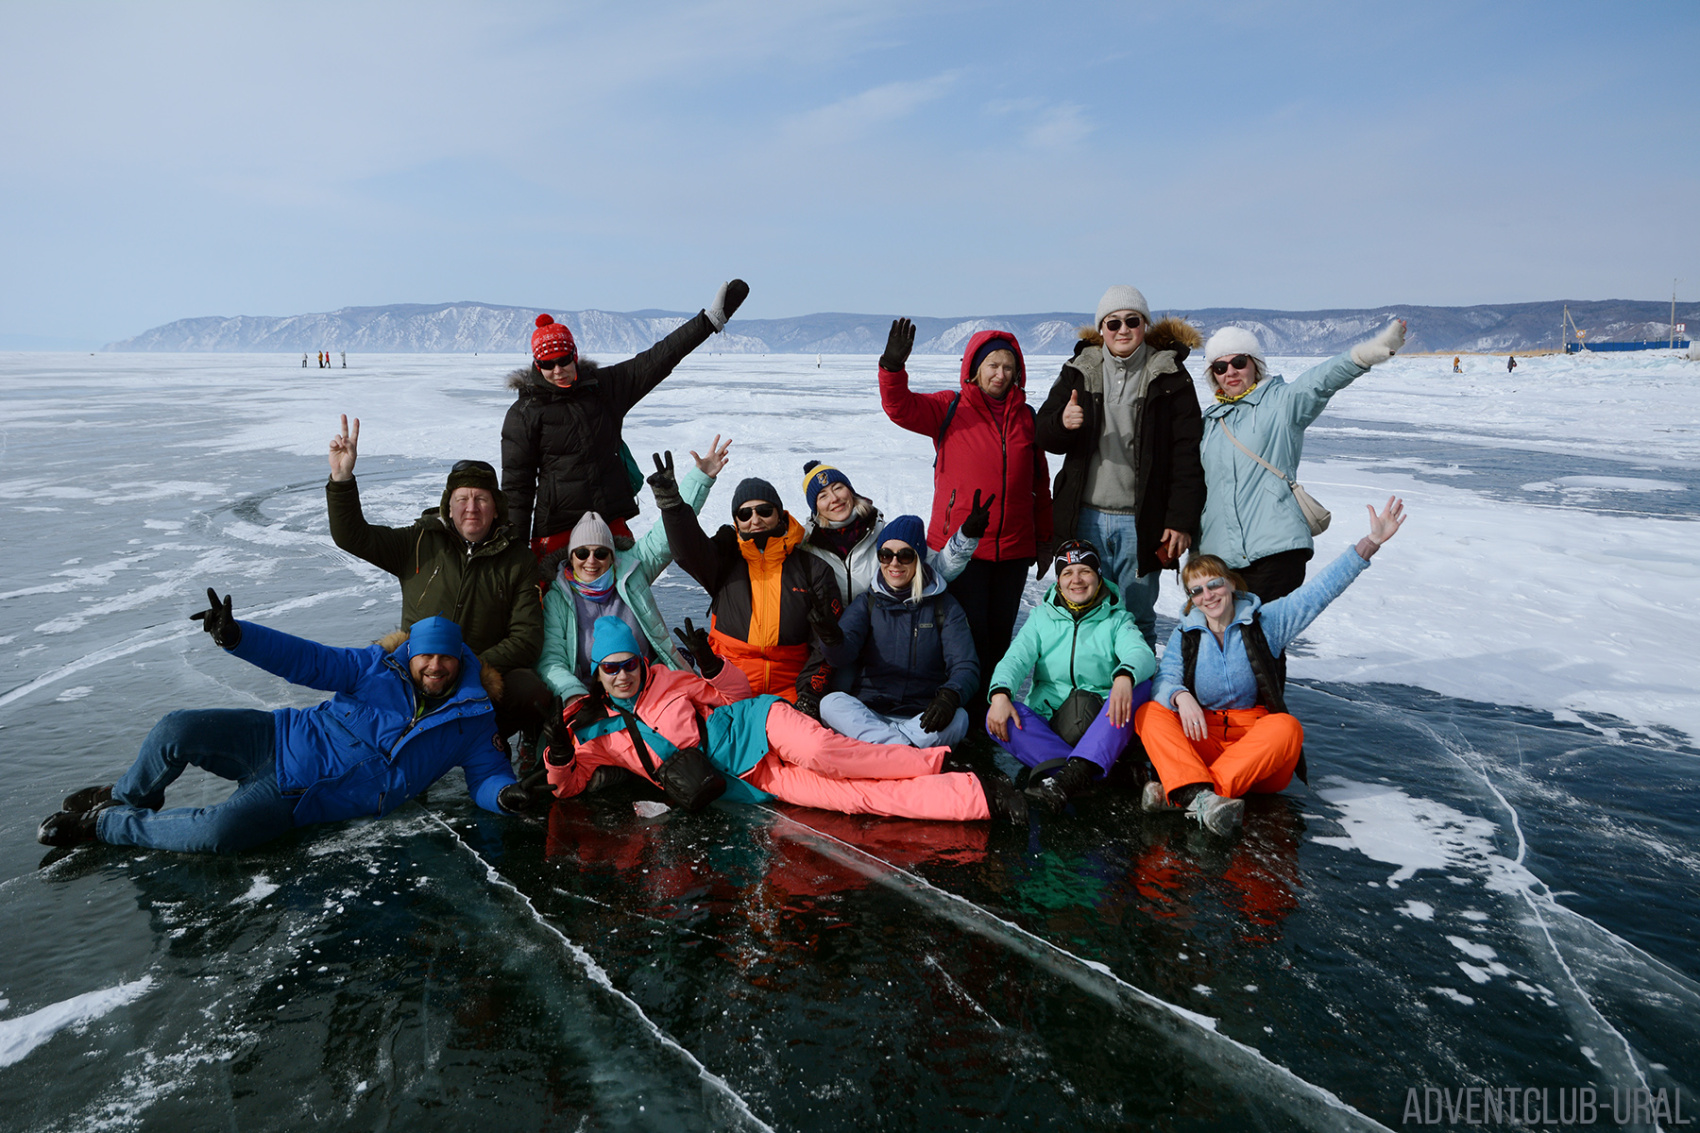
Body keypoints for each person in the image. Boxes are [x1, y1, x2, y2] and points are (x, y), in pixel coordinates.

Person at [37, 595, 526, 853]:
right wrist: (238, 637)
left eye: (445, 658)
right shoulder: (374, 666)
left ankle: (106, 823)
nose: (435, 667)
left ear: (460, 660)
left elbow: (487, 775)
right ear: (410, 654)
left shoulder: (473, 717)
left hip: (302, 798)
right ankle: (128, 794)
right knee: (176, 729)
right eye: (426, 656)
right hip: (275, 736)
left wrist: (506, 796)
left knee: (219, 834)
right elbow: (307, 660)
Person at [544, 617, 1025, 823]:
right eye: (612, 667)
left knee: (833, 755)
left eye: (630, 663)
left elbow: (734, 695)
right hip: (746, 779)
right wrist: (558, 756)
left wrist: (711, 667)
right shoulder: (596, 732)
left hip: (759, 723)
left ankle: (935, 764)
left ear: (641, 662)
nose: (624, 674)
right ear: (598, 674)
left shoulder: (669, 680)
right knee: (853, 800)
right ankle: (976, 795)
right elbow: (568, 785)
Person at [1135, 497, 1408, 836]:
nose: (1208, 595)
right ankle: (1202, 797)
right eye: (1197, 590)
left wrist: (1369, 544)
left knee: (1286, 728)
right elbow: (1166, 679)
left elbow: (1318, 593)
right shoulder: (1185, 633)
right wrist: (1179, 696)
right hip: (1202, 737)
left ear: (1231, 584)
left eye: (1215, 583)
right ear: (1192, 598)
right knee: (1149, 712)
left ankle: (1188, 794)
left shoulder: (1267, 622)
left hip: (1257, 755)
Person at [324, 416, 549, 746]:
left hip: (479, 677)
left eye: (481, 499)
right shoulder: (418, 542)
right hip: (417, 673)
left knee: (530, 689)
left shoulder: (518, 560)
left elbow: (527, 638)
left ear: (497, 509)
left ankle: (492, 745)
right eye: (462, 499)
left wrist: (469, 666)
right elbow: (353, 537)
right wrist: (342, 479)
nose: (471, 508)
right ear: (449, 505)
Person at [501, 279, 749, 561]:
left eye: (563, 360)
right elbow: (516, 488)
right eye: (548, 364)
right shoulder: (525, 413)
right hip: (557, 529)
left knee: (622, 595)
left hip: (609, 523)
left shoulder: (603, 389)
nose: (557, 370)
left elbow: (657, 359)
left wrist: (708, 322)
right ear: (537, 365)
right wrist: (515, 553)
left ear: (575, 356)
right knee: (555, 603)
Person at [878, 319, 1053, 707]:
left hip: (1012, 550)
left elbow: (1040, 483)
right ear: (975, 369)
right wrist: (892, 367)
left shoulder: (1027, 417)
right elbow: (900, 407)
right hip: (961, 551)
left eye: (1008, 366)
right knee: (962, 638)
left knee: (998, 637)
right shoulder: (949, 407)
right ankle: (958, 710)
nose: (1000, 373)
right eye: (992, 365)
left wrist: (1044, 541)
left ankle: (991, 710)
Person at [1034, 285, 1207, 648]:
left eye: (1132, 320)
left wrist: (1180, 520)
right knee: (1082, 611)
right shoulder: (1079, 371)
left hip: (1141, 522)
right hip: (1084, 516)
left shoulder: (1169, 376)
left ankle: (1136, 697)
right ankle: (1086, 696)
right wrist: (1062, 423)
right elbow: (1044, 433)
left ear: (1144, 324)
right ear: (1101, 329)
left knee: (1137, 617)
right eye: (1113, 323)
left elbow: (1187, 454)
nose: (1123, 330)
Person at [1196, 320, 1406, 602]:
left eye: (1239, 361)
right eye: (1220, 367)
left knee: (1262, 639)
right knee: (1228, 642)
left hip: (1275, 550)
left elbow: (1320, 381)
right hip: (1220, 557)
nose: (1230, 372)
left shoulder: (1281, 403)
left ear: (1255, 364)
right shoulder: (1209, 424)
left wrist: (1366, 354)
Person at [537, 436, 730, 704]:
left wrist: (700, 477)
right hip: (589, 696)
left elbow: (665, 535)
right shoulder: (559, 598)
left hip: (647, 687)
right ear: (571, 557)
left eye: (601, 552)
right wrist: (575, 697)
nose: (591, 560)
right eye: (582, 553)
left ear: (612, 555)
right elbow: (552, 660)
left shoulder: (630, 572)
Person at [984, 539, 1156, 813]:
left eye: (1085, 571)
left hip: (1102, 723)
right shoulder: (1041, 618)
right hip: (1052, 723)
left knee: (1140, 685)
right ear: (1059, 581)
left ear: (1098, 576)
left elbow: (1142, 654)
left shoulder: (1117, 619)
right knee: (997, 715)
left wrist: (1124, 676)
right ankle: (1095, 772)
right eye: (1067, 573)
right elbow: (1015, 659)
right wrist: (1001, 693)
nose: (1076, 579)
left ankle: (1071, 772)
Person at [657, 464, 844, 711]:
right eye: (744, 514)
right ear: (736, 521)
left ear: (779, 514)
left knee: (805, 748)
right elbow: (687, 551)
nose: (755, 520)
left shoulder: (813, 570)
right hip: (727, 685)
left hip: (789, 690)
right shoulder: (724, 561)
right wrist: (672, 506)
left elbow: (824, 645)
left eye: (764, 511)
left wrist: (810, 694)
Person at [819, 515, 978, 749]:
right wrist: (832, 641)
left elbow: (966, 665)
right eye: (885, 554)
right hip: (869, 711)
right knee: (831, 703)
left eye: (904, 555)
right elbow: (843, 654)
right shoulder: (867, 603)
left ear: (918, 558)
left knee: (959, 717)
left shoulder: (944, 605)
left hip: (921, 717)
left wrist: (949, 696)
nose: (894, 563)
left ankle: (881, 751)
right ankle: (905, 751)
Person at [797, 458, 983, 604]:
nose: (834, 498)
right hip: (830, 638)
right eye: (823, 496)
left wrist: (965, 537)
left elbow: (936, 569)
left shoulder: (883, 535)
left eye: (838, 488)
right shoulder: (806, 542)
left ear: (851, 492)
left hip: (879, 633)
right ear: (815, 508)